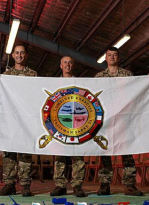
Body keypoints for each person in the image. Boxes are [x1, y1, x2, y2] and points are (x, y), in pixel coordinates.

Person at [94, 47, 143, 196]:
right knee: (105, 153)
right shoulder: (98, 77)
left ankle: (130, 185)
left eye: (115, 55)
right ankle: (104, 184)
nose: (112, 57)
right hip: (105, 120)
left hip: (124, 119)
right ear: (106, 57)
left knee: (127, 152)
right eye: (109, 55)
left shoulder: (127, 75)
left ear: (118, 57)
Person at [0, 44, 37, 197]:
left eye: (22, 53)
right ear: (12, 55)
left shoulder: (33, 75)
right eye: (17, 53)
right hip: (10, 120)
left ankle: (26, 185)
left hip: (26, 119)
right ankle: (9, 184)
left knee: (25, 152)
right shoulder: (6, 75)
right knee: (9, 153)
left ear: (26, 55)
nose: (19, 55)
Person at [49, 56, 86, 197]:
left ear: (73, 65)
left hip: (78, 123)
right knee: (59, 156)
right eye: (65, 62)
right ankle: (60, 185)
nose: (68, 65)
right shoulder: (53, 83)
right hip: (59, 123)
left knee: (78, 155)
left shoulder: (80, 82)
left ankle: (77, 185)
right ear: (60, 65)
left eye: (70, 62)